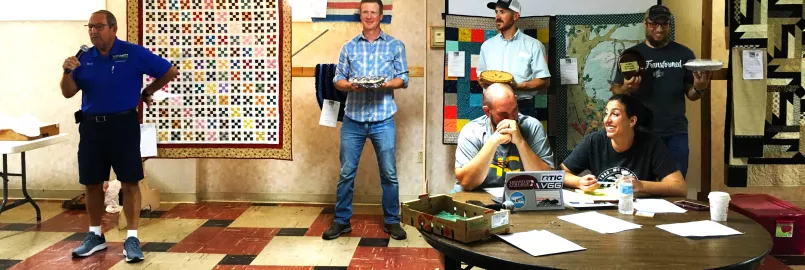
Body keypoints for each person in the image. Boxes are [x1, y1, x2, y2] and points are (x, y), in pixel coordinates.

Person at [60, 10, 178, 263]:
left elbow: (169, 71)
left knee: (130, 181)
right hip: (91, 127)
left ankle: (132, 238)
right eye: (90, 27)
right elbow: (68, 93)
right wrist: (67, 72)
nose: (93, 31)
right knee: (92, 182)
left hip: (123, 125)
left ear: (113, 29)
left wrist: (148, 91)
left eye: (99, 27)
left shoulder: (132, 52)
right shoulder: (83, 58)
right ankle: (95, 235)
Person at [324, 0, 409, 241]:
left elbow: (403, 78)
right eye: (365, 12)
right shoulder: (348, 47)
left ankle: (392, 221)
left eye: (373, 12)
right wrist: (349, 85)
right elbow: (337, 79)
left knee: (389, 173)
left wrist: (385, 84)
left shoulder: (395, 46)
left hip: (383, 118)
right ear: (359, 15)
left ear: (381, 15)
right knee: (346, 172)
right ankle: (342, 221)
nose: (369, 16)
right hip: (353, 119)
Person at [610, 4, 712, 178]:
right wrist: (626, 88)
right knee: (641, 184)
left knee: (675, 184)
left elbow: (691, 94)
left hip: (675, 132)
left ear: (669, 25)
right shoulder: (632, 55)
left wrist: (700, 89)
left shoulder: (684, 54)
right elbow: (615, 90)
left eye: (664, 24)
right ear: (645, 24)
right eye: (653, 24)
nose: (659, 28)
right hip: (641, 132)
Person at [560, 94, 687, 197]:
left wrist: (641, 185)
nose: (607, 120)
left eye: (615, 114)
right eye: (606, 114)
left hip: (638, 211)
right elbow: (560, 174)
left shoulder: (651, 143)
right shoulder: (594, 141)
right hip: (601, 209)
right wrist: (579, 182)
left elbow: (679, 187)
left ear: (632, 121)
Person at [454, 83, 554, 192]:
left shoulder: (532, 127)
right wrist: (493, 142)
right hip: (477, 200)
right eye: (503, 114)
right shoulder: (472, 131)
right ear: (487, 111)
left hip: (519, 199)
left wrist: (520, 142)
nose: (511, 118)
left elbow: (546, 180)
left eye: (514, 110)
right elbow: (467, 183)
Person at [477, 0, 551, 119]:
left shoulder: (533, 45)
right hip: (493, 108)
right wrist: (482, 82)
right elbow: (481, 76)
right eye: (496, 12)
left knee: (522, 138)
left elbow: (544, 81)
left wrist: (516, 86)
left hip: (523, 107)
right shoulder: (487, 46)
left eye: (502, 12)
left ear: (515, 16)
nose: (497, 16)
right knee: (494, 139)